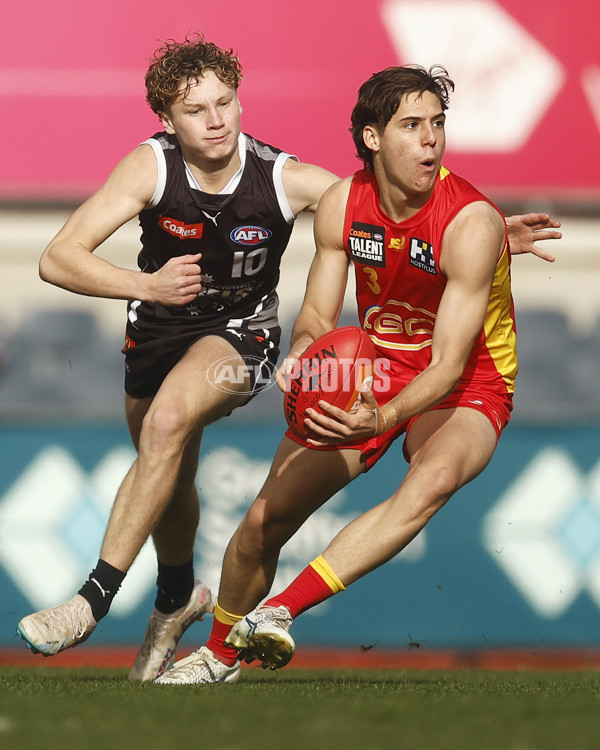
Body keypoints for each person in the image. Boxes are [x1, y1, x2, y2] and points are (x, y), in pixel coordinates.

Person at [16, 36, 559, 681]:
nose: (217, 119)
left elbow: (431, 306)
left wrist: (490, 233)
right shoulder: (172, 172)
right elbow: (57, 259)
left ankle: (137, 609)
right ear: (167, 120)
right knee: (205, 492)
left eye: (227, 102)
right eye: (197, 110)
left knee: (175, 427)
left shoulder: (308, 183)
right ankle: (178, 599)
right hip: (196, 337)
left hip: (324, 356)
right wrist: (160, 291)